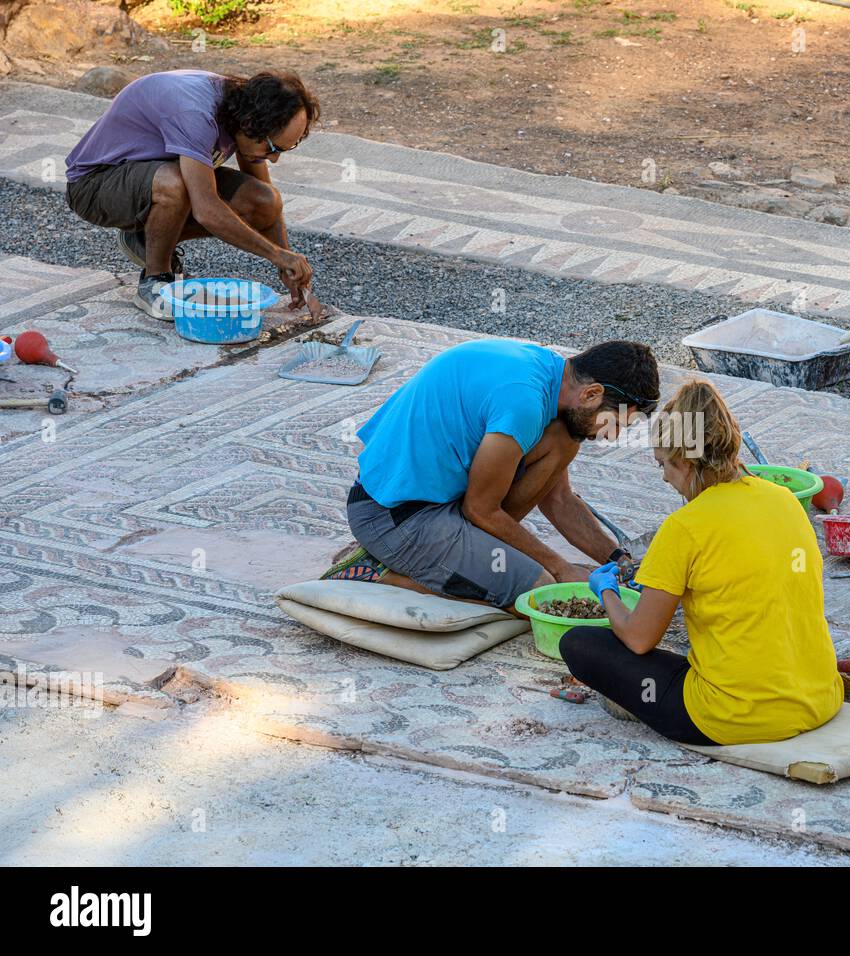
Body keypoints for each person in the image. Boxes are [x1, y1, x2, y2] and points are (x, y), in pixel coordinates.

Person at [560, 379, 843, 746]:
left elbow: (639, 639)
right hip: (820, 698)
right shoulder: (786, 501)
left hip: (733, 718)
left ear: (688, 461)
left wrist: (607, 593)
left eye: (665, 465)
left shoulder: (684, 527)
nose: (664, 477)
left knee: (579, 644)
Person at [335, 338, 660, 610]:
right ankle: (382, 575)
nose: (611, 436)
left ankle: (466, 559)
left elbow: (559, 499)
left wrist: (619, 560)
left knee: (564, 440)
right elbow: (480, 509)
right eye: (614, 423)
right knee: (539, 594)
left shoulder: (550, 374)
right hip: (392, 516)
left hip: (440, 503)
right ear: (591, 394)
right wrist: (559, 568)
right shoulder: (524, 403)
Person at [64, 69, 320, 320]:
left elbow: (266, 204)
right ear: (250, 124)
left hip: (148, 178)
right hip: (94, 185)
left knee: (264, 200)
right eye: (272, 148)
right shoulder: (196, 113)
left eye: (284, 150)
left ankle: (144, 239)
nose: (273, 159)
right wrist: (275, 254)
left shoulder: (243, 111)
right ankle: (156, 281)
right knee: (175, 184)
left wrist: (286, 266)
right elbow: (206, 209)